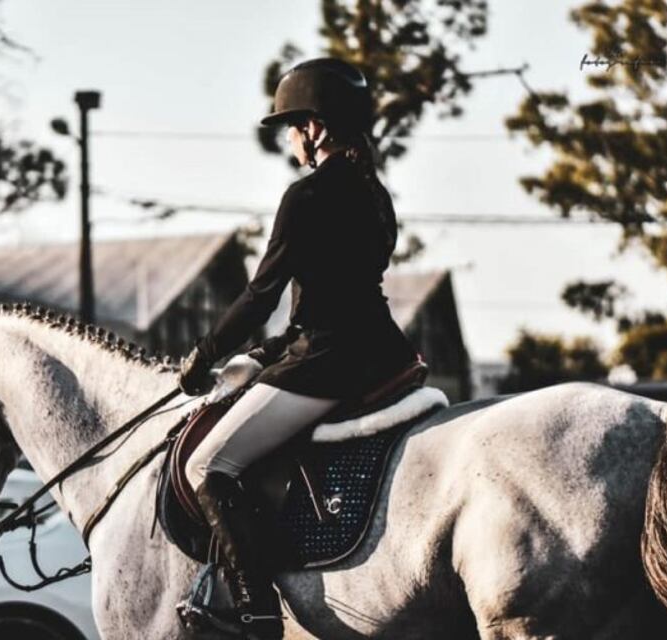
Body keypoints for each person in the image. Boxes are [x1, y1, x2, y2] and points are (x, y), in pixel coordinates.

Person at [176, 58, 421, 639]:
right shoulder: (375, 194)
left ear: (315, 128)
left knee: (208, 466)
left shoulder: (306, 195)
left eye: (292, 125)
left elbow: (262, 295)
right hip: (380, 352)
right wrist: (268, 353)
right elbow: (337, 294)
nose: (288, 138)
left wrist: (205, 354)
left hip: (329, 362)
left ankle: (257, 613)